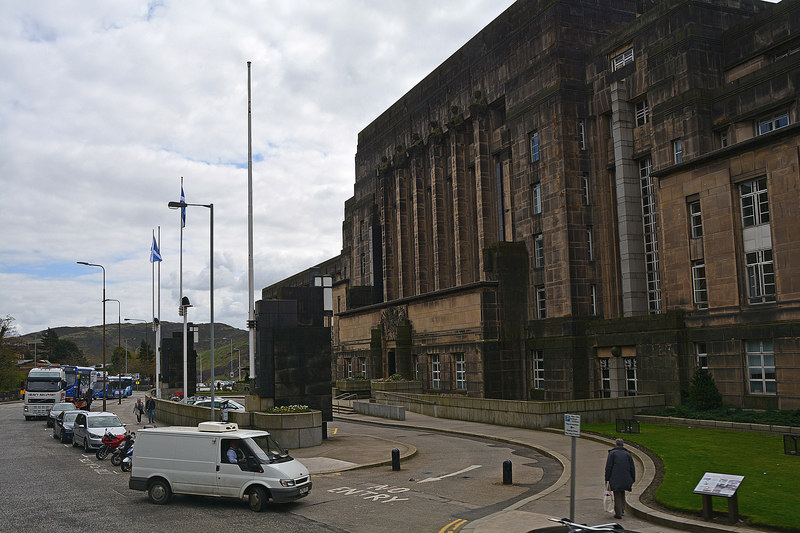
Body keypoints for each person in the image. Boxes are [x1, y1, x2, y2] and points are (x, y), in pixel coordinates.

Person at [605, 438, 636, 519]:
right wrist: (633, 478)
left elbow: (609, 467)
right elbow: (632, 467)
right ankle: (622, 510)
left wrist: (607, 478)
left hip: (615, 477)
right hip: (626, 477)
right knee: (622, 493)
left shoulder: (612, 453)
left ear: (616, 444)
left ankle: (618, 513)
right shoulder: (627, 454)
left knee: (617, 494)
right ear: (623, 445)